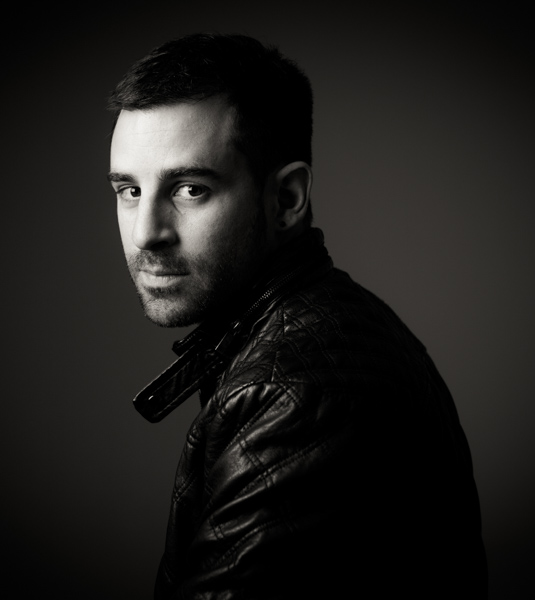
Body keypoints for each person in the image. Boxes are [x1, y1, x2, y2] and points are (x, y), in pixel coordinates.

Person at [107, 33, 487, 599]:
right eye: (130, 190)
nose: (146, 234)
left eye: (189, 189)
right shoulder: (313, 334)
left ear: (286, 198)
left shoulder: (295, 394)